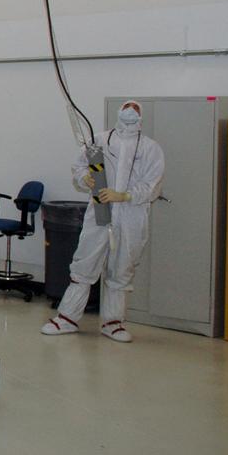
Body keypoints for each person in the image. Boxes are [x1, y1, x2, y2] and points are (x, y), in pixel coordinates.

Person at [42, 100, 164, 342]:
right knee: (85, 263)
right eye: (126, 109)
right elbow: (79, 167)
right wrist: (85, 177)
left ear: (141, 117)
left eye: (135, 111)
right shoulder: (100, 141)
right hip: (101, 208)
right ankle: (67, 317)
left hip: (132, 214)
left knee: (122, 267)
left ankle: (113, 322)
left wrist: (126, 195)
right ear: (118, 113)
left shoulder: (150, 148)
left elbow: (153, 184)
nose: (130, 114)